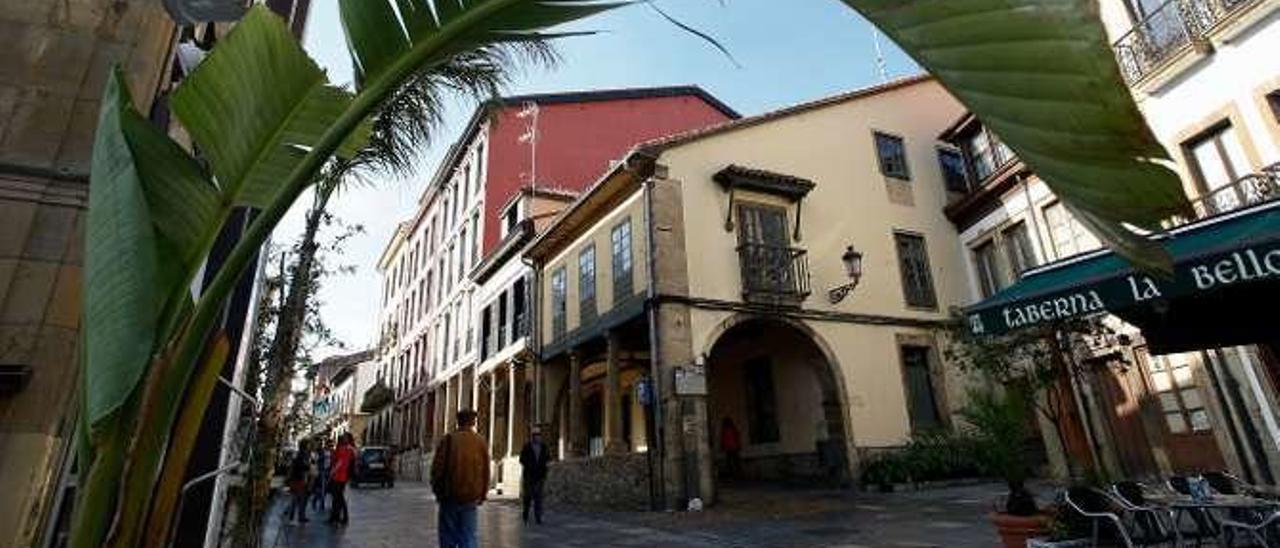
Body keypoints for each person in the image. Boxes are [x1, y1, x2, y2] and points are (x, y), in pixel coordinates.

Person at [431, 409, 490, 548]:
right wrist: (482, 494)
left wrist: (437, 491)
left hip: (450, 496)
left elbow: (437, 470)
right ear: (473, 422)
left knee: (448, 536)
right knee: (468, 536)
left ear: (458, 421)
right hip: (471, 497)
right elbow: (486, 471)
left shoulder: (449, 439)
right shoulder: (480, 442)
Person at [518, 425, 552, 524]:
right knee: (528, 496)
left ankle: (538, 517)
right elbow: (522, 459)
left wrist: (544, 468)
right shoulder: (527, 446)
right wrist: (529, 466)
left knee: (538, 497)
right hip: (529, 475)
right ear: (532, 436)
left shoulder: (544, 447)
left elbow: (547, 458)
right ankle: (526, 513)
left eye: (538, 434)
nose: (537, 436)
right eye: (535, 435)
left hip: (540, 476)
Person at [329, 433, 356, 525]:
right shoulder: (349, 449)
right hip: (342, 476)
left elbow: (340, 462)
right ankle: (338, 517)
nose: (343, 439)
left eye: (345, 437)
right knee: (338, 497)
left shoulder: (345, 449)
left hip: (340, 476)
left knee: (338, 497)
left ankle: (339, 517)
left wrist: (332, 472)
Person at [285, 442, 311, 523]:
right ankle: (295, 516)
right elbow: (304, 467)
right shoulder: (302, 456)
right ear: (305, 447)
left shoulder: (298, 455)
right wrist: (309, 466)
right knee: (299, 498)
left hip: (296, 478)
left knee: (296, 498)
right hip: (299, 479)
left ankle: (294, 515)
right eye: (308, 446)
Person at [311, 439, 331, 511]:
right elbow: (315, 460)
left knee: (325, 489)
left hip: (327, 471)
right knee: (322, 488)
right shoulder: (321, 451)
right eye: (329, 445)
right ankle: (320, 503)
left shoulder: (330, 452)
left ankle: (316, 500)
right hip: (321, 471)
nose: (330, 446)